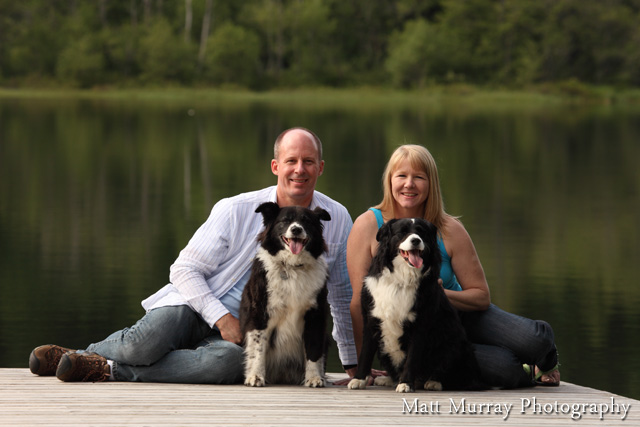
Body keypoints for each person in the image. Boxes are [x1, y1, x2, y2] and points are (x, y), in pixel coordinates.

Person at [29, 127, 357, 383]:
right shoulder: (236, 209)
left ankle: (104, 368)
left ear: (321, 167)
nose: (299, 170)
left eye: (308, 162)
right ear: (275, 166)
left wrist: (353, 364)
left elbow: (341, 295)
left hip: (245, 334)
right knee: (144, 344)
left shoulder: (337, 217)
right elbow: (184, 269)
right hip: (195, 304)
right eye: (291, 161)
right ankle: (76, 356)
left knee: (226, 365)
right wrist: (221, 317)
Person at [346, 144, 560, 388]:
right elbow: (359, 303)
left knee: (535, 340)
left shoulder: (449, 228)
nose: (409, 184)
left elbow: (480, 296)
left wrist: (438, 293)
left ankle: (547, 362)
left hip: (462, 314)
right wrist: (361, 366)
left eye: (419, 177)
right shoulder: (368, 225)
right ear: (389, 180)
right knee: (505, 369)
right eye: (401, 176)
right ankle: (525, 369)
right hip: (425, 333)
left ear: (431, 183)